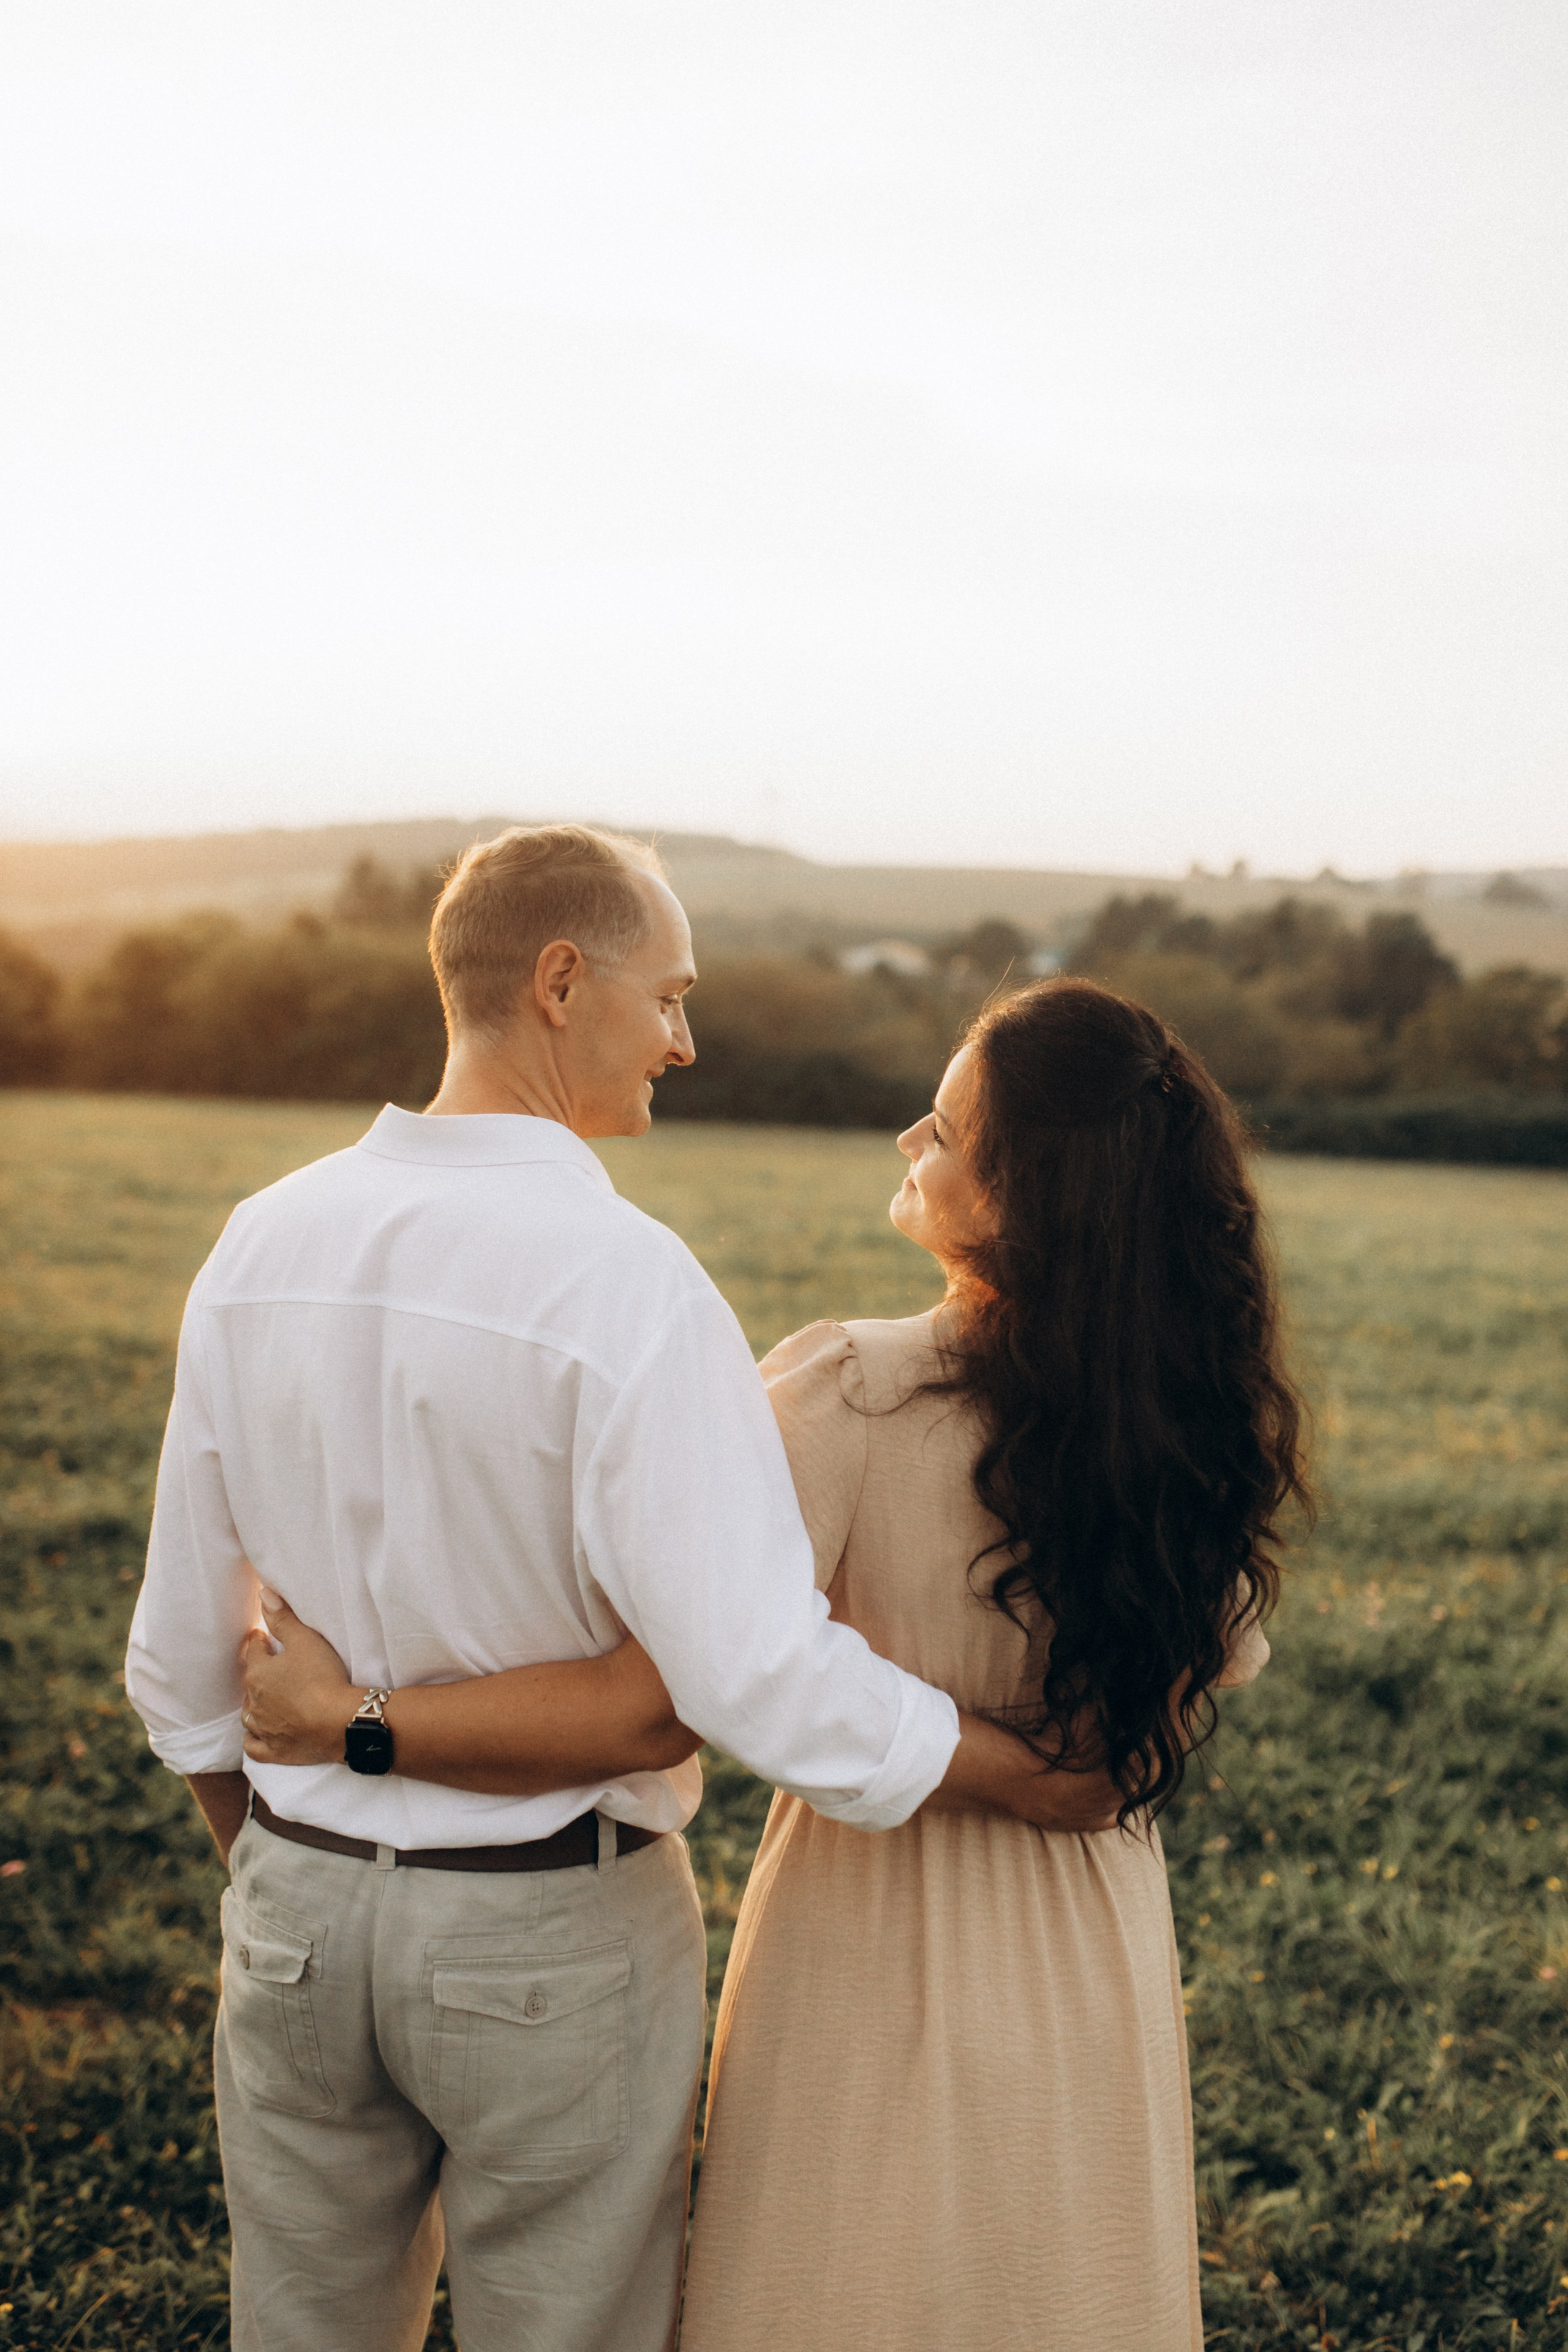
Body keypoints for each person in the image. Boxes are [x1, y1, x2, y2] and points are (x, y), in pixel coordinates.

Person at [125, 824, 1114, 2352]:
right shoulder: (628, 1283)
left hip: (293, 1921)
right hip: (547, 1937)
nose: (686, 1040)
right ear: (560, 980)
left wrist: (294, 1860)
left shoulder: (261, 1243)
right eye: (665, 998)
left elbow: (182, 1654)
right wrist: (1007, 1769)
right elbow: (745, 1676)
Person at [244, 973, 1310, 2352]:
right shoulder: (1193, 1430)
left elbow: (656, 1690)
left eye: (936, 1131)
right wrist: (1040, 1776)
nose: (904, 1150)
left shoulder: (850, 1396)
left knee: (839, 2275)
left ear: (1018, 1197)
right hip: (1081, 1939)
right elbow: (1115, 1754)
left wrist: (353, 1718)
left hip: (866, 1928)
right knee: (1049, 2278)